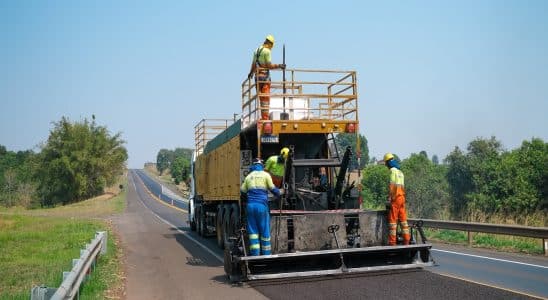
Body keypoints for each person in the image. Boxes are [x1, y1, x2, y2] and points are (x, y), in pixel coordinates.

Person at [241, 158, 281, 256]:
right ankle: (266, 254)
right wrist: (280, 192)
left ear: (253, 166)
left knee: (253, 231)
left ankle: (255, 254)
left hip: (250, 207)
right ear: (261, 166)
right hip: (261, 206)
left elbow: (242, 191)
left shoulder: (248, 176)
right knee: (264, 230)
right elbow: (272, 189)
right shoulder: (265, 175)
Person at [247, 34, 286, 120]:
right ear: (270, 43)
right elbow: (269, 65)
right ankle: (265, 118)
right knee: (265, 99)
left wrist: (250, 73)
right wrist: (279, 66)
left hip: (257, 78)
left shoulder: (257, 50)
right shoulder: (267, 51)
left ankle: (263, 117)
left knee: (261, 99)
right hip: (264, 78)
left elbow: (253, 64)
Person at [383, 153, 410, 245]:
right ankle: (406, 241)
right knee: (403, 220)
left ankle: (392, 242)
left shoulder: (392, 171)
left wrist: (390, 198)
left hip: (396, 198)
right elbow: (402, 187)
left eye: (386, 163)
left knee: (393, 221)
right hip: (402, 198)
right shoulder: (400, 172)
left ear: (388, 163)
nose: (386, 165)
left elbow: (392, 186)